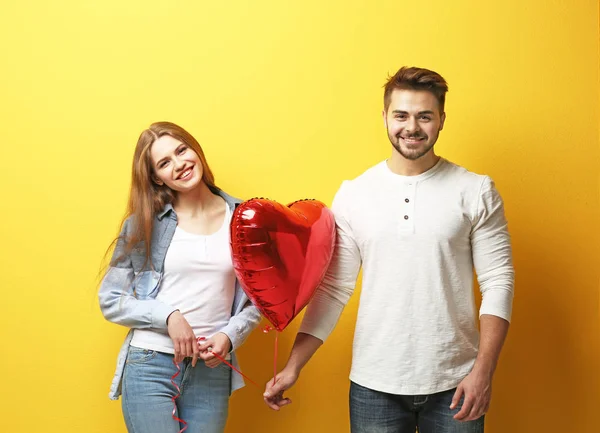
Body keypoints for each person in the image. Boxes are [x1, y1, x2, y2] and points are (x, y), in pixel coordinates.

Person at [263, 66, 514, 433]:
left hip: (457, 383)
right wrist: (293, 366)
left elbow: (499, 282)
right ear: (384, 117)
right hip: (373, 385)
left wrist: (482, 372)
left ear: (441, 120)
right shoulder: (354, 193)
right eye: (401, 115)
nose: (411, 127)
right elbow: (334, 290)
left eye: (424, 116)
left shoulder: (475, 190)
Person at [99, 121, 261, 433]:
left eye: (181, 150)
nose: (179, 164)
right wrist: (168, 316)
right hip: (151, 364)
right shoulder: (144, 225)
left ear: (194, 148)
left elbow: (259, 300)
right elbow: (111, 299)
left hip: (211, 371)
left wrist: (229, 336)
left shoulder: (245, 219)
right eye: (164, 163)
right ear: (156, 178)